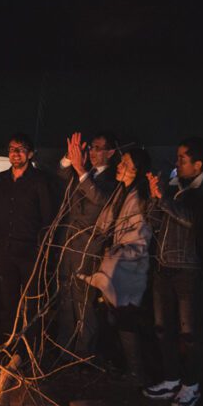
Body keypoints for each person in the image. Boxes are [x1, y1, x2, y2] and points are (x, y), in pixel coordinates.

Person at [142, 137, 203, 406]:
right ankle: (171, 378)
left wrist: (164, 199)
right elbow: (154, 221)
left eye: (183, 159)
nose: (177, 163)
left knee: (190, 332)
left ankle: (192, 384)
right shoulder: (175, 188)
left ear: (198, 164)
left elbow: (190, 220)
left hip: (189, 269)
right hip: (164, 266)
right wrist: (154, 197)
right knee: (163, 328)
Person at [81, 147, 153, 382]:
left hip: (129, 269)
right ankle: (123, 364)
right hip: (115, 265)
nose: (119, 166)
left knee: (126, 318)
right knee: (114, 317)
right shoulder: (120, 193)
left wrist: (117, 249)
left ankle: (136, 370)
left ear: (136, 170)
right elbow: (106, 224)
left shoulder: (140, 198)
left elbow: (140, 238)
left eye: (124, 163)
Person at [55, 131, 119, 354]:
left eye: (98, 148)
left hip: (89, 249)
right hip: (68, 246)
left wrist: (81, 170)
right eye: (90, 148)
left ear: (110, 153)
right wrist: (70, 158)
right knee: (66, 299)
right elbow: (60, 173)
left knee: (85, 303)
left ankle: (84, 354)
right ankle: (64, 349)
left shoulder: (113, 180)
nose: (92, 152)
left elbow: (101, 200)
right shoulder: (82, 172)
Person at [0, 132, 54, 338]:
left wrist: (41, 250)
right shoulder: (1, 179)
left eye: (20, 149)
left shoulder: (40, 180)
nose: (15, 153)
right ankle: (10, 340)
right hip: (4, 250)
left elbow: (48, 218)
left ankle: (32, 341)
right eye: (11, 149)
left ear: (30, 153)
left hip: (29, 252)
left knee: (33, 300)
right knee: (9, 300)